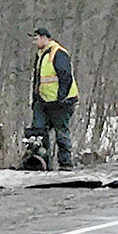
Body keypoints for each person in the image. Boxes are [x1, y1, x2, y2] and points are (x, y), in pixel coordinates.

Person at [30, 26, 78, 169]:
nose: (35, 42)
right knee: (39, 132)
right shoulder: (40, 55)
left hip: (61, 102)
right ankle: (42, 163)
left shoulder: (58, 53)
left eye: (36, 38)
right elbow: (38, 80)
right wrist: (35, 99)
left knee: (61, 133)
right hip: (44, 101)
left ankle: (65, 164)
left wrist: (61, 98)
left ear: (45, 38)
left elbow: (66, 77)